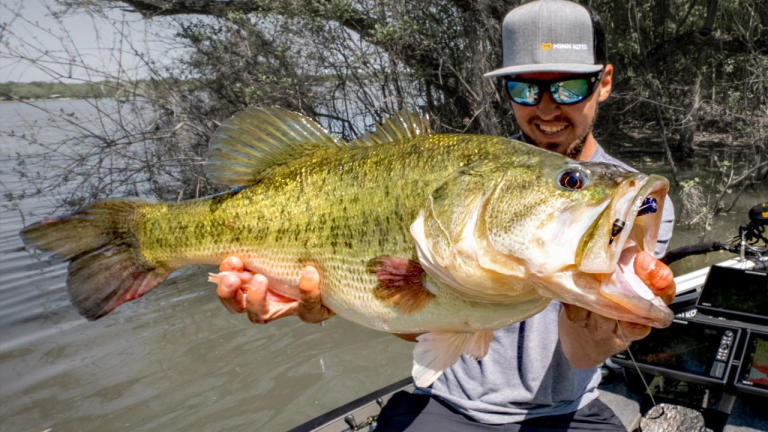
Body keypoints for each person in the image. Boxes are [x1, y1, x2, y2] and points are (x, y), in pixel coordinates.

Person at [213, 0, 677, 430]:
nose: (547, 107)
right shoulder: (476, 174)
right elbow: (415, 326)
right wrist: (334, 301)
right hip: (446, 402)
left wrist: (608, 324)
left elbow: (580, 355)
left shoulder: (637, 206)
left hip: (566, 411)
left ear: (605, 81)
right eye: (525, 88)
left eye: (569, 86)